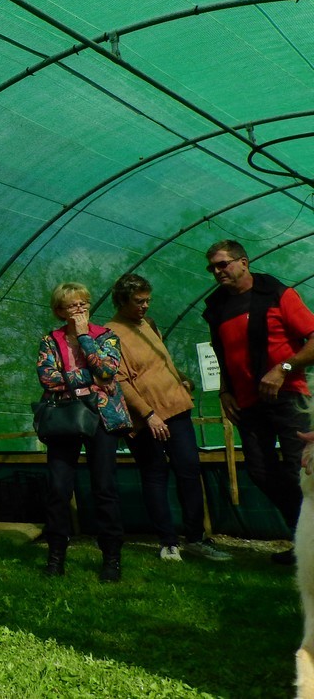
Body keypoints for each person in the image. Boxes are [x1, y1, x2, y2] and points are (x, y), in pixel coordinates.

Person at [201, 239, 314, 566]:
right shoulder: (217, 307)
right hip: (248, 403)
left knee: (301, 471)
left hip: (289, 396)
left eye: (223, 264)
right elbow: (222, 355)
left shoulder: (278, 294)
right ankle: (303, 540)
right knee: (261, 472)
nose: (217, 272)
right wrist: (224, 391)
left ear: (244, 262)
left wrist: (283, 369)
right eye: (212, 268)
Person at [105, 273, 231, 563]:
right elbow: (120, 381)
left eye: (148, 300)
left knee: (189, 470)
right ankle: (168, 542)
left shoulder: (148, 325)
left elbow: (163, 363)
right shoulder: (109, 334)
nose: (145, 306)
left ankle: (196, 538)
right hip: (146, 417)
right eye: (139, 301)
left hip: (176, 408)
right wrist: (148, 415)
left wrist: (184, 380)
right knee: (154, 475)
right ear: (122, 300)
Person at [36, 282, 126, 582]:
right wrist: (90, 380)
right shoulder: (50, 340)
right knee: (58, 488)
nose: (79, 309)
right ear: (60, 311)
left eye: (83, 303)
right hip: (65, 417)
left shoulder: (106, 337)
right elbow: (48, 379)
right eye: (72, 305)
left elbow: (108, 371)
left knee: (104, 487)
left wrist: (86, 338)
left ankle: (112, 558)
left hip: (101, 417)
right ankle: (56, 556)